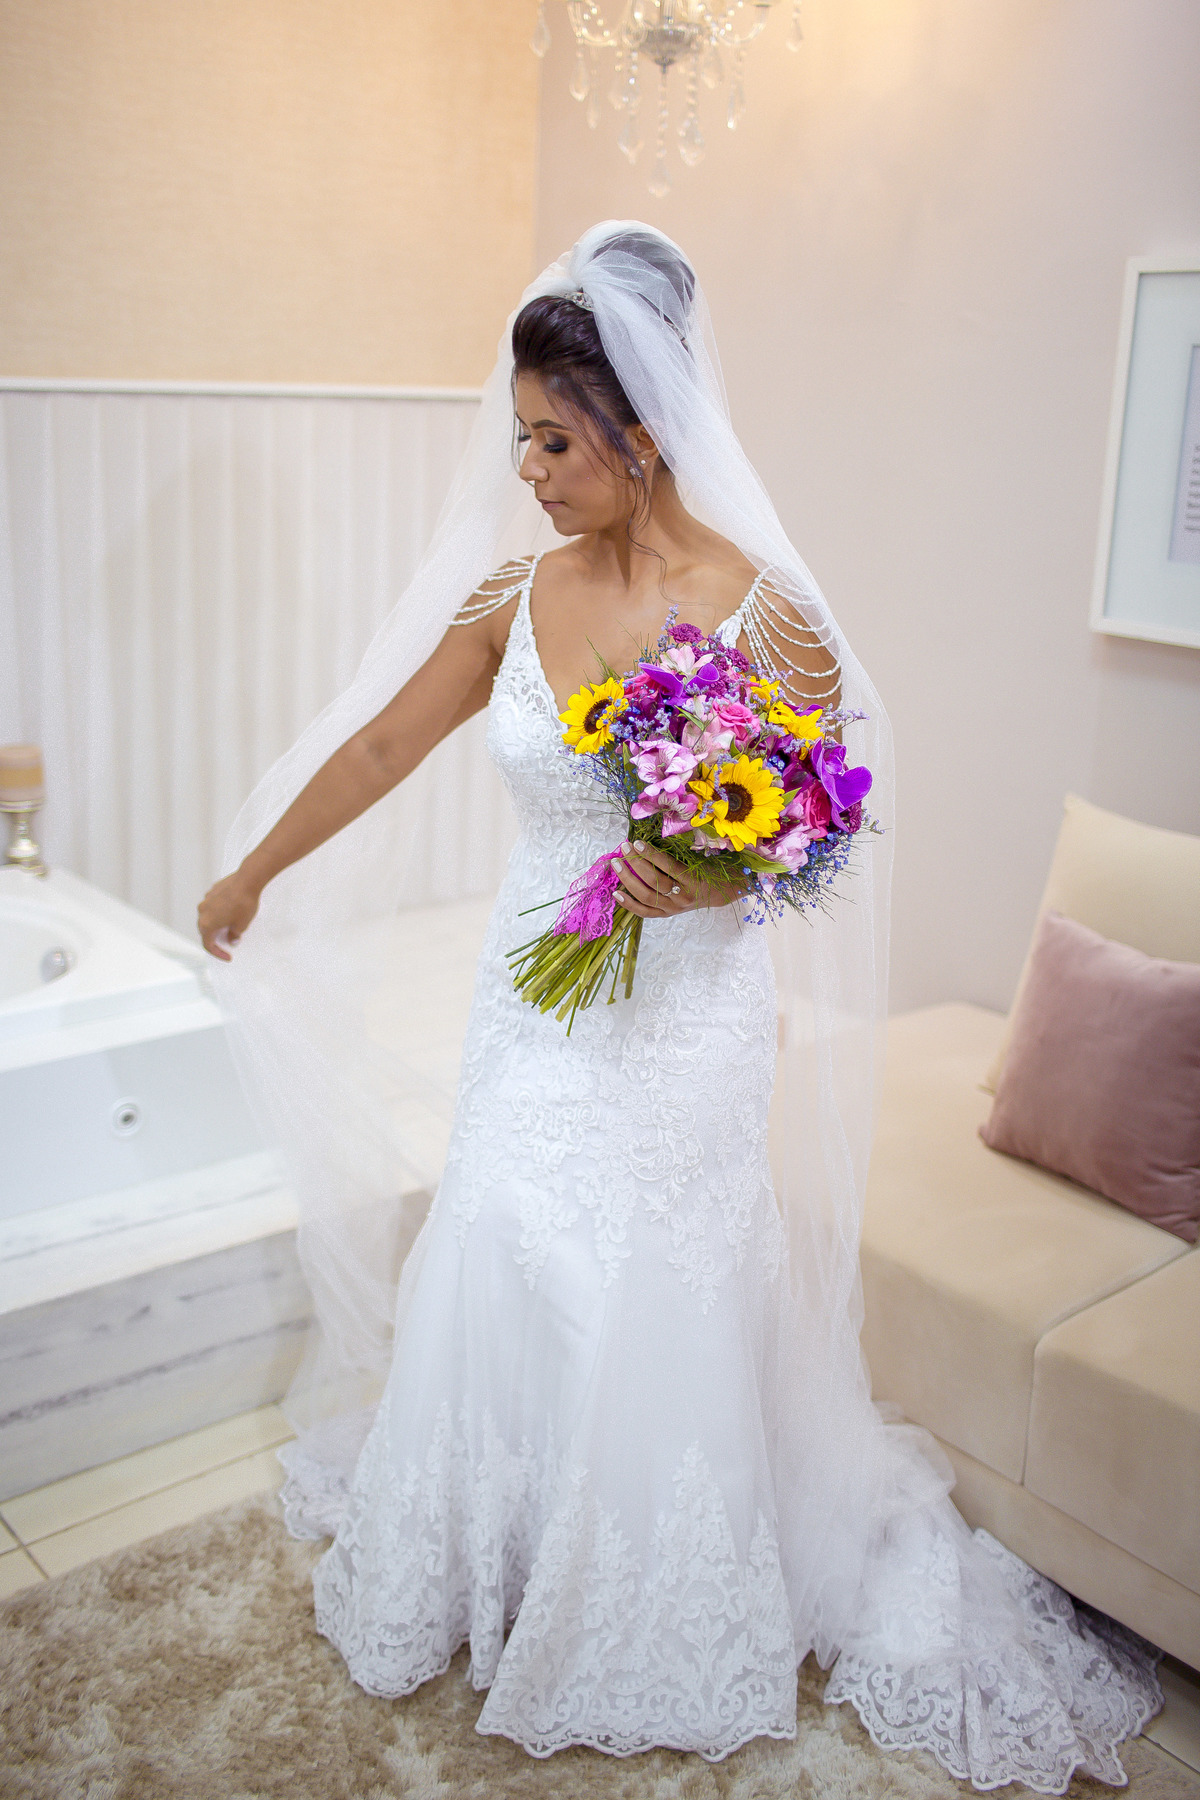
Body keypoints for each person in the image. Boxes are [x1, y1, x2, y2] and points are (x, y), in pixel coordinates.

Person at [198, 223, 1160, 1786]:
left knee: (654, 1277)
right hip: (535, 998)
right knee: (503, 1232)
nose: (527, 470)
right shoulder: (513, 594)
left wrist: (709, 882)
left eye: (555, 442)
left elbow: (815, 821)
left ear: (644, 433)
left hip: (689, 1017)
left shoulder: (768, 614)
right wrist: (254, 871)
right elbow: (380, 747)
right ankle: (501, 1543)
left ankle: (644, 1595)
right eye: (521, 438)